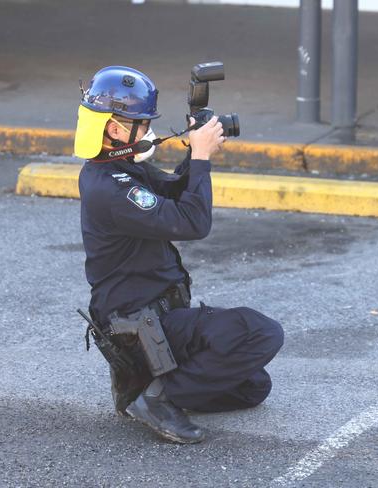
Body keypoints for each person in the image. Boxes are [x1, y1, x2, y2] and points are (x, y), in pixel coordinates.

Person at [74, 66, 284, 444]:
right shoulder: (111, 189)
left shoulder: (117, 168)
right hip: (141, 325)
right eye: (141, 123)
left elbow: (174, 191)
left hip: (160, 316)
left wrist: (193, 152)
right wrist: (202, 157)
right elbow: (193, 223)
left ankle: (149, 382)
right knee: (261, 332)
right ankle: (157, 398)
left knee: (253, 386)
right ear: (115, 129)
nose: (149, 132)